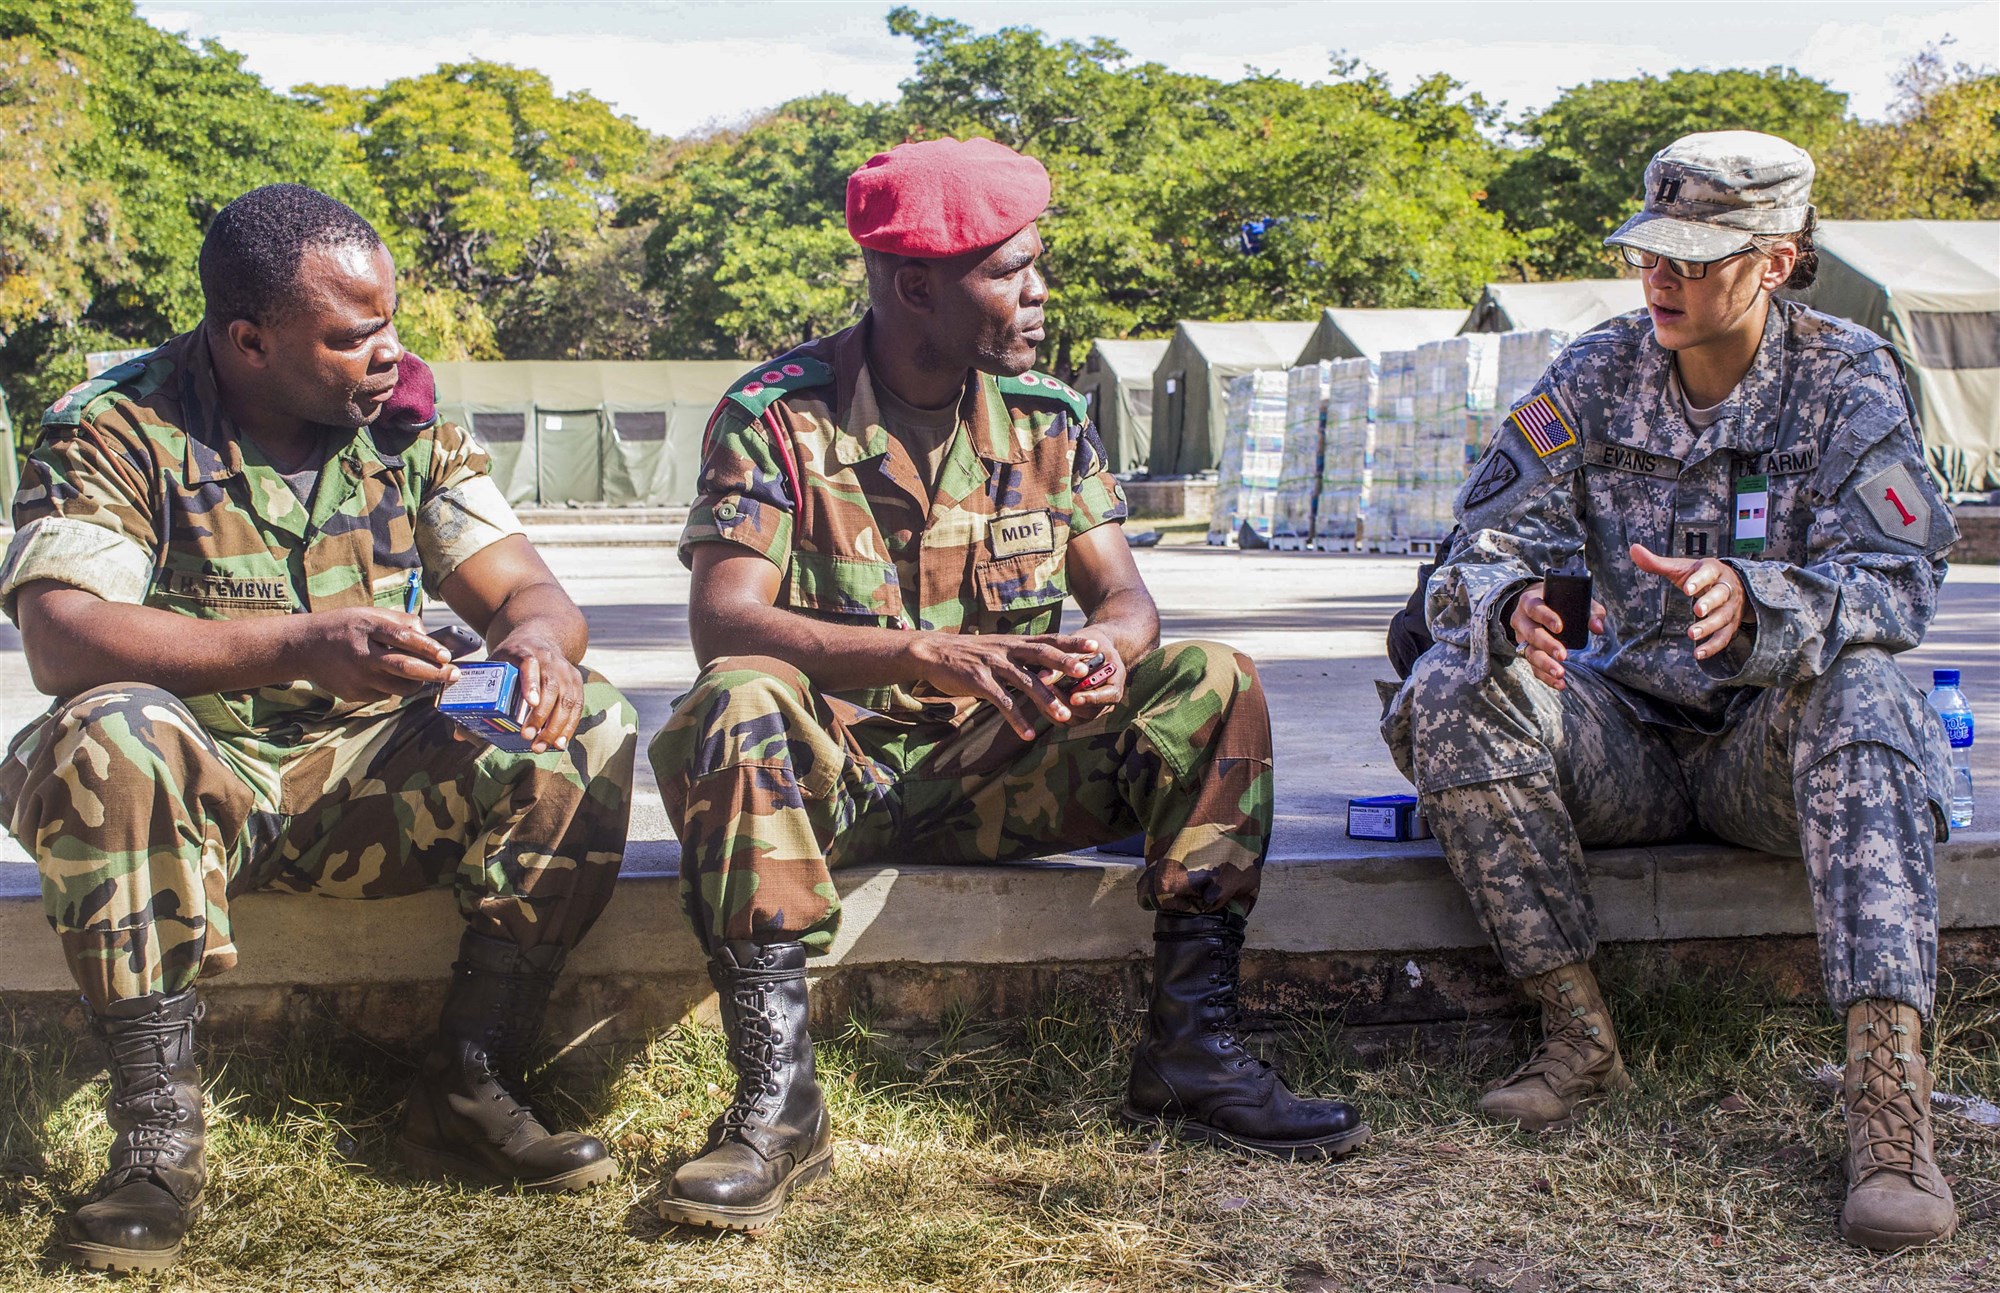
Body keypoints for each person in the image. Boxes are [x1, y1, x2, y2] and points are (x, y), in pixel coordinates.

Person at [649, 136, 1369, 1232]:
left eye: (1034, 262)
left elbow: (1126, 603)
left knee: (1210, 678)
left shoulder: (1044, 417)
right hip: (826, 786)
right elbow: (724, 620)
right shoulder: (778, 414)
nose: (1038, 291)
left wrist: (1100, 657)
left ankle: (1191, 1055)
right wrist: (921, 655)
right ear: (915, 287)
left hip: (996, 778)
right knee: (734, 697)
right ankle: (777, 1106)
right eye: (1007, 270)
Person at [0, 184, 638, 1273]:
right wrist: (296, 644)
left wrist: (534, 646)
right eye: (352, 336)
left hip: (366, 784)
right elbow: (62, 638)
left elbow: (527, 592)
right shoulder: (118, 424)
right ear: (249, 340)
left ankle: (466, 1084)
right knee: (104, 729)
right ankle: (156, 1133)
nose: (388, 354)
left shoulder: (403, 426)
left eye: (390, 321)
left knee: (591, 717)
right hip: (193, 785)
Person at [1383, 132, 1960, 1251]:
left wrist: (1760, 603)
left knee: (1873, 695)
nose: (1661, 278)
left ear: (1776, 262)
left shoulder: (1846, 380)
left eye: (1695, 259)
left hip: (1765, 746)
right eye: (1651, 252)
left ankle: (1887, 1106)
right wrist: (1509, 607)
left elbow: (1898, 582)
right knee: (1451, 686)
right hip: (1625, 740)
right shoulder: (1592, 376)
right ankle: (1575, 1038)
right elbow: (1477, 544)